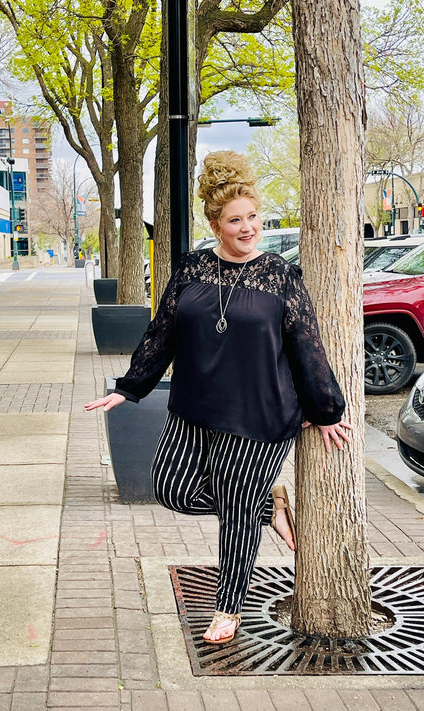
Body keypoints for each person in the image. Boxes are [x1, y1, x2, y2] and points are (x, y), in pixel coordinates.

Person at [85, 150, 351, 645]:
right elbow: (162, 333)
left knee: (235, 514)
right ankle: (264, 507)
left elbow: (306, 344)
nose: (248, 227)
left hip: (259, 413)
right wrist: (128, 387)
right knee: (171, 488)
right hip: (195, 405)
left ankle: (228, 609)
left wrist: (327, 409)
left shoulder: (277, 274)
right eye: (236, 220)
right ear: (214, 224)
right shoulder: (192, 268)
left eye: (253, 217)